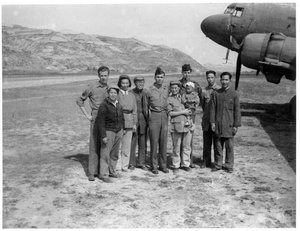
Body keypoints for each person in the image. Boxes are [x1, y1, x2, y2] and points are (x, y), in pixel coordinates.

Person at [76, 65, 110, 181]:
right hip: (95, 116)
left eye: (105, 76)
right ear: (98, 76)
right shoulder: (92, 87)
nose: (103, 78)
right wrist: (86, 115)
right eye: (101, 76)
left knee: (104, 144)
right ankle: (92, 172)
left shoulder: (110, 88)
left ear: (108, 76)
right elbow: (80, 100)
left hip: (107, 117)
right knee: (94, 144)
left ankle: (102, 171)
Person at [210, 72, 241, 173]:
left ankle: (229, 166)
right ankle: (218, 164)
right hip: (218, 125)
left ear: (230, 81)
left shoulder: (235, 94)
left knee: (229, 147)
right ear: (220, 80)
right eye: (223, 80)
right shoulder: (216, 93)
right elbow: (212, 109)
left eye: (226, 80)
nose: (224, 82)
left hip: (229, 125)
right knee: (218, 146)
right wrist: (212, 123)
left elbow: (237, 111)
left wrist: (236, 125)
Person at [97, 86, 124, 183]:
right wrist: (103, 135)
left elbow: (121, 118)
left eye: (115, 93)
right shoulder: (104, 106)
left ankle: (112, 171)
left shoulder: (119, 105)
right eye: (111, 93)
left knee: (115, 153)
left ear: (117, 95)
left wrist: (122, 130)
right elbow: (100, 122)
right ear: (108, 94)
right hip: (108, 131)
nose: (113, 95)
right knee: (105, 154)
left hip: (118, 131)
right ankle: (104, 174)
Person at [146, 67, 169, 174]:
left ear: (164, 78)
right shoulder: (149, 90)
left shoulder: (166, 89)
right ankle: (154, 166)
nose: (160, 79)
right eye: (158, 77)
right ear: (155, 77)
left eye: (161, 77)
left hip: (164, 116)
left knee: (163, 141)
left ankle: (163, 165)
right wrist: (149, 118)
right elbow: (146, 106)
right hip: (154, 116)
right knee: (154, 141)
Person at [167, 81, 193, 175]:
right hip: (176, 126)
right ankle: (176, 165)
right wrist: (183, 112)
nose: (174, 90)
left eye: (176, 88)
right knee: (176, 147)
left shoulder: (184, 97)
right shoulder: (169, 99)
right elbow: (171, 113)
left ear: (179, 88)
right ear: (170, 89)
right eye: (172, 88)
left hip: (186, 125)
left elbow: (190, 109)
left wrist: (190, 120)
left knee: (186, 146)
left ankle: (186, 164)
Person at [179, 64, 202, 168]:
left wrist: (195, 107)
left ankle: (190, 161)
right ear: (182, 73)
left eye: (188, 72)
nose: (186, 75)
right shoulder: (178, 84)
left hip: (191, 114)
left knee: (190, 137)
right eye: (184, 72)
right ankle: (180, 161)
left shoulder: (195, 85)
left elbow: (200, 98)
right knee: (180, 136)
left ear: (190, 73)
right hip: (180, 114)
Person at [199, 70, 221, 169]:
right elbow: (203, 105)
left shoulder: (220, 90)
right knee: (206, 142)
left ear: (215, 78)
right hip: (207, 120)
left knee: (217, 142)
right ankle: (206, 161)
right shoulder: (204, 91)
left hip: (217, 121)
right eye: (208, 78)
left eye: (212, 77)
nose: (210, 79)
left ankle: (217, 162)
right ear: (206, 78)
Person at [117, 75, 137, 172]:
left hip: (129, 121)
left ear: (129, 84)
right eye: (123, 83)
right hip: (119, 121)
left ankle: (124, 166)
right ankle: (115, 166)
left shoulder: (132, 95)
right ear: (120, 84)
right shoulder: (117, 94)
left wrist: (134, 123)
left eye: (126, 83)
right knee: (117, 144)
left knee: (126, 145)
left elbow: (135, 111)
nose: (125, 85)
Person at [129, 76, 148, 171]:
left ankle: (142, 163)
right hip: (133, 120)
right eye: (138, 82)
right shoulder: (131, 93)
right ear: (134, 83)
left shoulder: (146, 93)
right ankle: (131, 163)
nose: (140, 84)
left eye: (142, 82)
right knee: (133, 142)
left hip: (144, 120)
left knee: (143, 142)